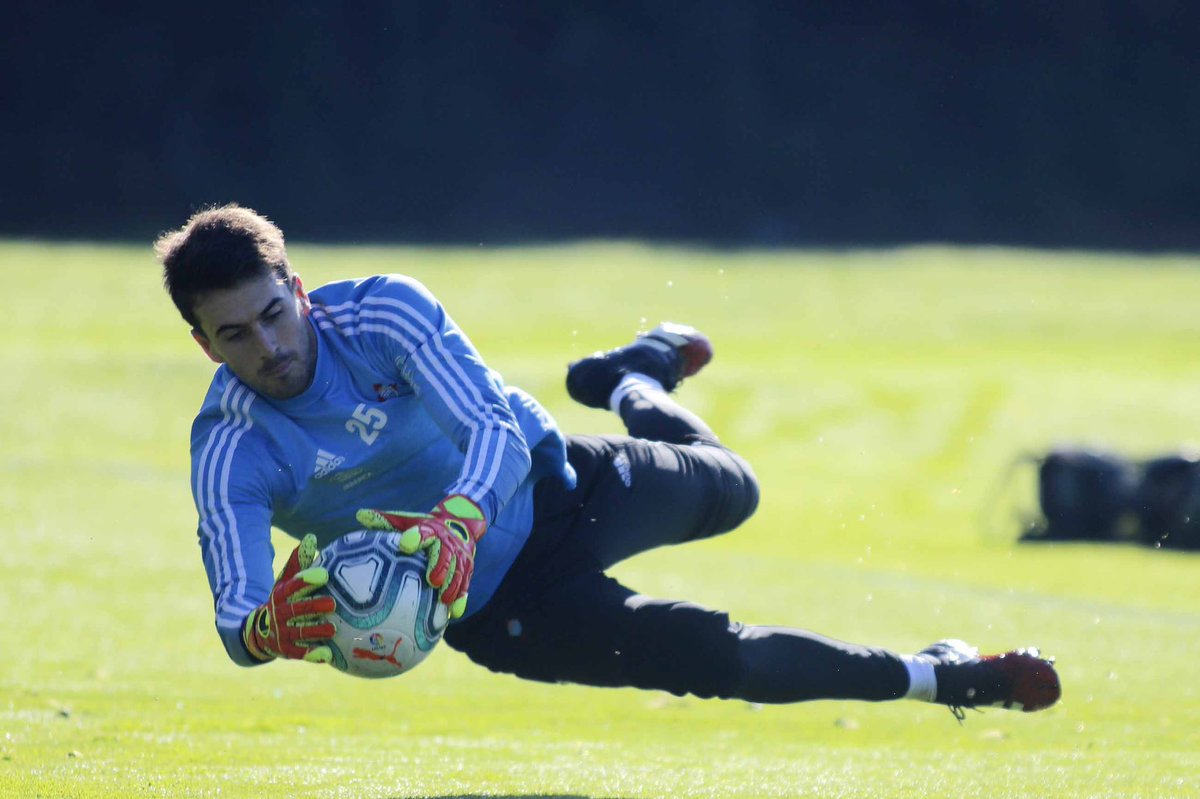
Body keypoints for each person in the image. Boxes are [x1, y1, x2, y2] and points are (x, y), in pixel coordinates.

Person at [156, 204, 1061, 719]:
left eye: (276, 313)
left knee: (738, 489)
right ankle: (949, 674)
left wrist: (459, 519)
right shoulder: (232, 449)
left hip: (557, 485)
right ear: (205, 345)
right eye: (234, 333)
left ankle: (630, 381)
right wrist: (269, 630)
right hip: (507, 608)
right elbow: (237, 619)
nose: (269, 346)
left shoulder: (383, 313)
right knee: (722, 660)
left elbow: (492, 429)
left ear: (298, 289)